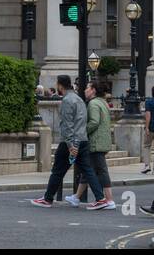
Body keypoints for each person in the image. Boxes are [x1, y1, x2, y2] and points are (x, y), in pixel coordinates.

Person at [30, 75, 105, 209]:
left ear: (59, 85)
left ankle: (47, 199)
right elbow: (83, 121)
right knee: (88, 170)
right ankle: (100, 198)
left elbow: (67, 124)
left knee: (58, 170)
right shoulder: (79, 99)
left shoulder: (67, 101)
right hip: (83, 140)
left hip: (70, 142)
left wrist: (71, 145)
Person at [69, 80, 115, 209]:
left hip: (96, 141)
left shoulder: (93, 104)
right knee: (88, 169)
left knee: (101, 170)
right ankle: (76, 197)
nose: (85, 90)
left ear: (93, 90)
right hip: (102, 140)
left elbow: (94, 122)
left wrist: (82, 132)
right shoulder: (102, 102)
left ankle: (109, 200)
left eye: (88, 88)